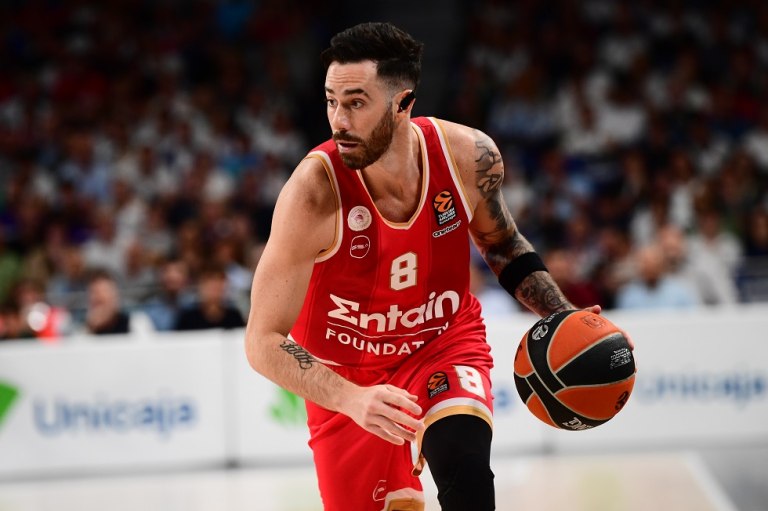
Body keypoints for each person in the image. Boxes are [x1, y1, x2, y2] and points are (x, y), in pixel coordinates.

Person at [244, 22, 595, 511]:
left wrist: (563, 315)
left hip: (441, 341)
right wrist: (351, 398)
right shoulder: (312, 193)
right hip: (347, 374)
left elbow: (503, 245)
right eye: (330, 101)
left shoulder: (469, 156)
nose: (338, 120)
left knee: (465, 469)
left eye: (356, 103)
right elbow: (261, 341)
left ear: (403, 103)